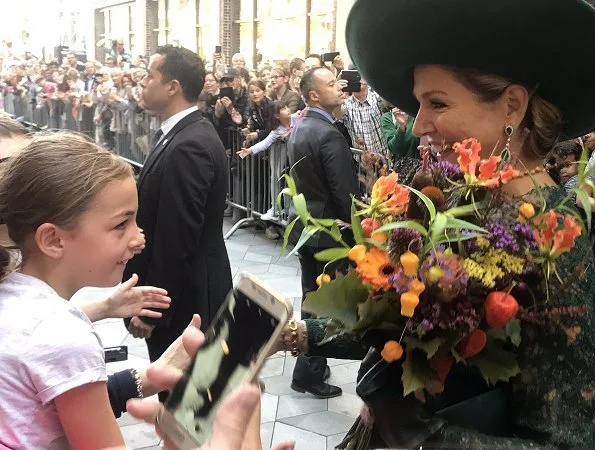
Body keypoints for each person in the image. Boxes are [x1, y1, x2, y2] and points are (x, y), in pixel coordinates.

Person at [283, 0, 594, 448]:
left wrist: (425, 437)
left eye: (437, 103)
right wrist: (291, 333)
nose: (418, 125)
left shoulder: (557, 243)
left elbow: (564, 440)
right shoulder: (456, 204)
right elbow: (402, 322)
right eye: (418, 103)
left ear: (511, 106)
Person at [0, 132, 145, 448]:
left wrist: (148, 377)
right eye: (121, 225)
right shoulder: (64, 334)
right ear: (53, 240)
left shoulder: (10, 292)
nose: (138, 238)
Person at [123, 45, 232, 371]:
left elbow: (178, 236)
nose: (142, 83)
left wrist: (153, 310)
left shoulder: (190, 145)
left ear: (173, 86)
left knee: (184, 397)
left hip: (188, 300)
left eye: (149, 76)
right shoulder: (180, 134)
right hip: (186, 293)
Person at [286, 67, 360, 399]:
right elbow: (344, 195)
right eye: (331, 83)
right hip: (330, 234)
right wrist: (359, 237)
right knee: (326, 305)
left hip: (308, 228)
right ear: (313, 95)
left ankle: (309, 365)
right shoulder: (327, 133)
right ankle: (309, 372)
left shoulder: (301, 126)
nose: (340, 86)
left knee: (311, 300)